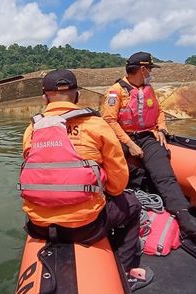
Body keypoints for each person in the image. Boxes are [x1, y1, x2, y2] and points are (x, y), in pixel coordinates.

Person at [18, 69, 153, 291]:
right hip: (85, 227)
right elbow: (118, 182)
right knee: (132, 205)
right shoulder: (96, 124)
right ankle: (126, 271)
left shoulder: (32, 129)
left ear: (44, 96)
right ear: (77, 95)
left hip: (38, 226)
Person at [101, 52, 196, 240]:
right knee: (111, 163)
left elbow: (159, 111)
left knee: (164, 172)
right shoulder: (115, 91)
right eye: (150, 69)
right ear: (143, 69)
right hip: (122, 137)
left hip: (146, 136)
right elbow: (109, 120)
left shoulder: (148, 88)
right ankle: (132, 188)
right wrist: (130, 144)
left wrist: (162, 129)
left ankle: (184, 217)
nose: (151, 73)